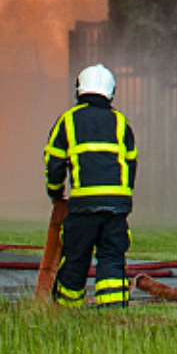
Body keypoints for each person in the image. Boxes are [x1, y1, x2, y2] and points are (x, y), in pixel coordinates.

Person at [42, 61, 138, 308]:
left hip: (83, 205)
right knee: (112, 257)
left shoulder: (68, 120)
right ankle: (113, 313)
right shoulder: (120, 122)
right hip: (116, 206)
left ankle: (67, 310)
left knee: (76, 256)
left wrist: (55, 192)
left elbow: (54, 160)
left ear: (79, 90)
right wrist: (123, 197)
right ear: (111, 91)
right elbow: (131, 162)